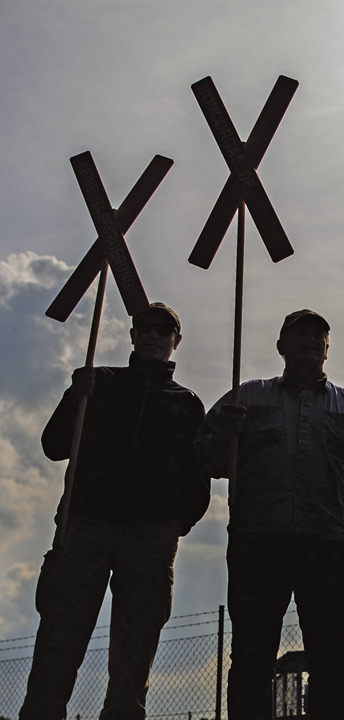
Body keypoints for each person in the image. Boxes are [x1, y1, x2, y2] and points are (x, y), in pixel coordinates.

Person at [22, 302, 210, 720]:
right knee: (59, 638)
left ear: (176, 341)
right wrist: (75, 396)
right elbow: (54, 446)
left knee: (135, 645)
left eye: (164, 330)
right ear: (132, 333)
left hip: (150, 536)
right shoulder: (97, 383)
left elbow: (199, 475)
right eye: (145, 326)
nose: (153, 334)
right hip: (85, 526)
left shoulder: (187, 404)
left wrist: (175, 524)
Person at [195, 309, 344, 719]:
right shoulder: (245, 397)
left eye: (318, 335)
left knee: (332, 655)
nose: (310, 340)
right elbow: (202, 457)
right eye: (299, 334)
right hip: (258, 542)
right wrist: (227, 434)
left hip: (329, 544)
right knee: (251, 654)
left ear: (328, 349)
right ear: (281, 346)